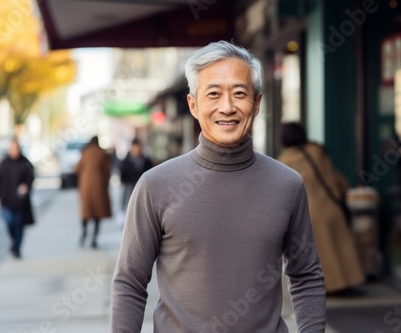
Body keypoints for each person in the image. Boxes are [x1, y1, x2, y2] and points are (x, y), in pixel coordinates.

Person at [111, 41, 326, 332]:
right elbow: (129, 282)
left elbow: (307, 275)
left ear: (257, 102)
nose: (227, 107)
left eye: (240, 93)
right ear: (193, 105)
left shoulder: (287, 184)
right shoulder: (156, 185)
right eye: (213, 94)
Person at [277, 122, 365, 294]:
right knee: (341, 246)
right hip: (331, 206)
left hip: (309, 212)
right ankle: (349, 282)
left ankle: (330, 287)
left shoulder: (284, 161)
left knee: (324, 252)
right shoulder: (317, 151)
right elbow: (334, 177)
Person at [0, 137, 34, 258]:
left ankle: (16, 248)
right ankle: (14, 242)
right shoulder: (4, 163)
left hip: (20, 202)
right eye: (12, 148)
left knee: (19, 226)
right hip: (6, 200)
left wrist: (26, 186)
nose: (14, 151)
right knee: (10, 223)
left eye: (16, 148)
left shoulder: (25, 163)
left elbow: (31, 177)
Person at [75, 136, 112, 249]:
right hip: (99, 186)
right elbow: (108, 169)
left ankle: (84, 231)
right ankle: (94, 239)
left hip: (86, 186)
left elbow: (77, 168)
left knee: (86, 211)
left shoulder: (85, 152)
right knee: (97, 213)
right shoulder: (101, 153)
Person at [119, 138, 153, 210]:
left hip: (141, 185)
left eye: (138, 147)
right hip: (129, 185)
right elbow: (123, 174)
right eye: (135, 147)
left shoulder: (146, 160)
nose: (136, 150)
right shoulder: (126, 160)